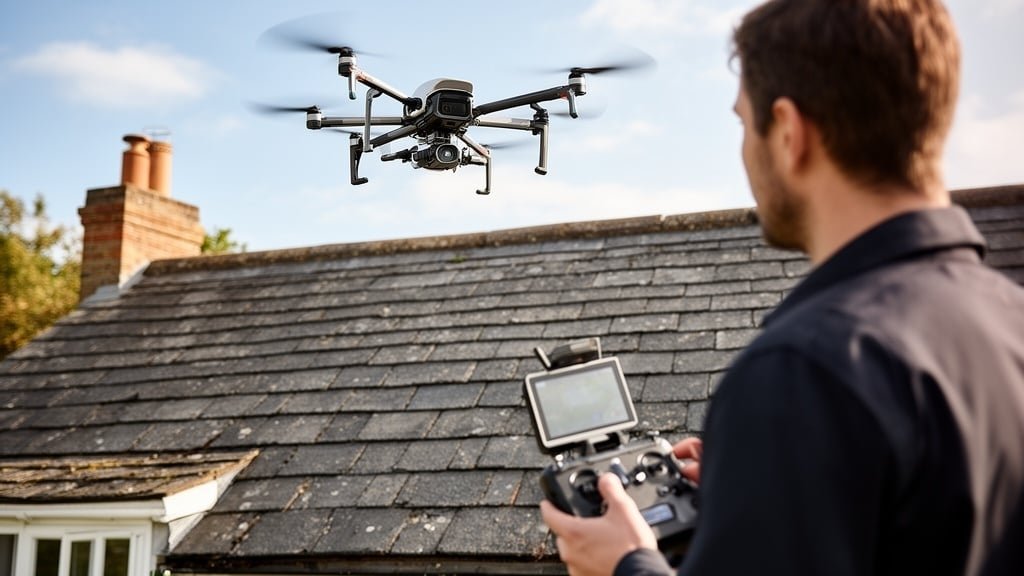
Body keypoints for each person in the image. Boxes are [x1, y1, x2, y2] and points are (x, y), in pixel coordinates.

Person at [539, 1, 1024, 575]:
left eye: (745, 123)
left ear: (790, 133)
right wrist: (766, 482)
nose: (744, 150)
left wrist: (626, 565)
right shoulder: (1008, 316)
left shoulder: (805, 371)